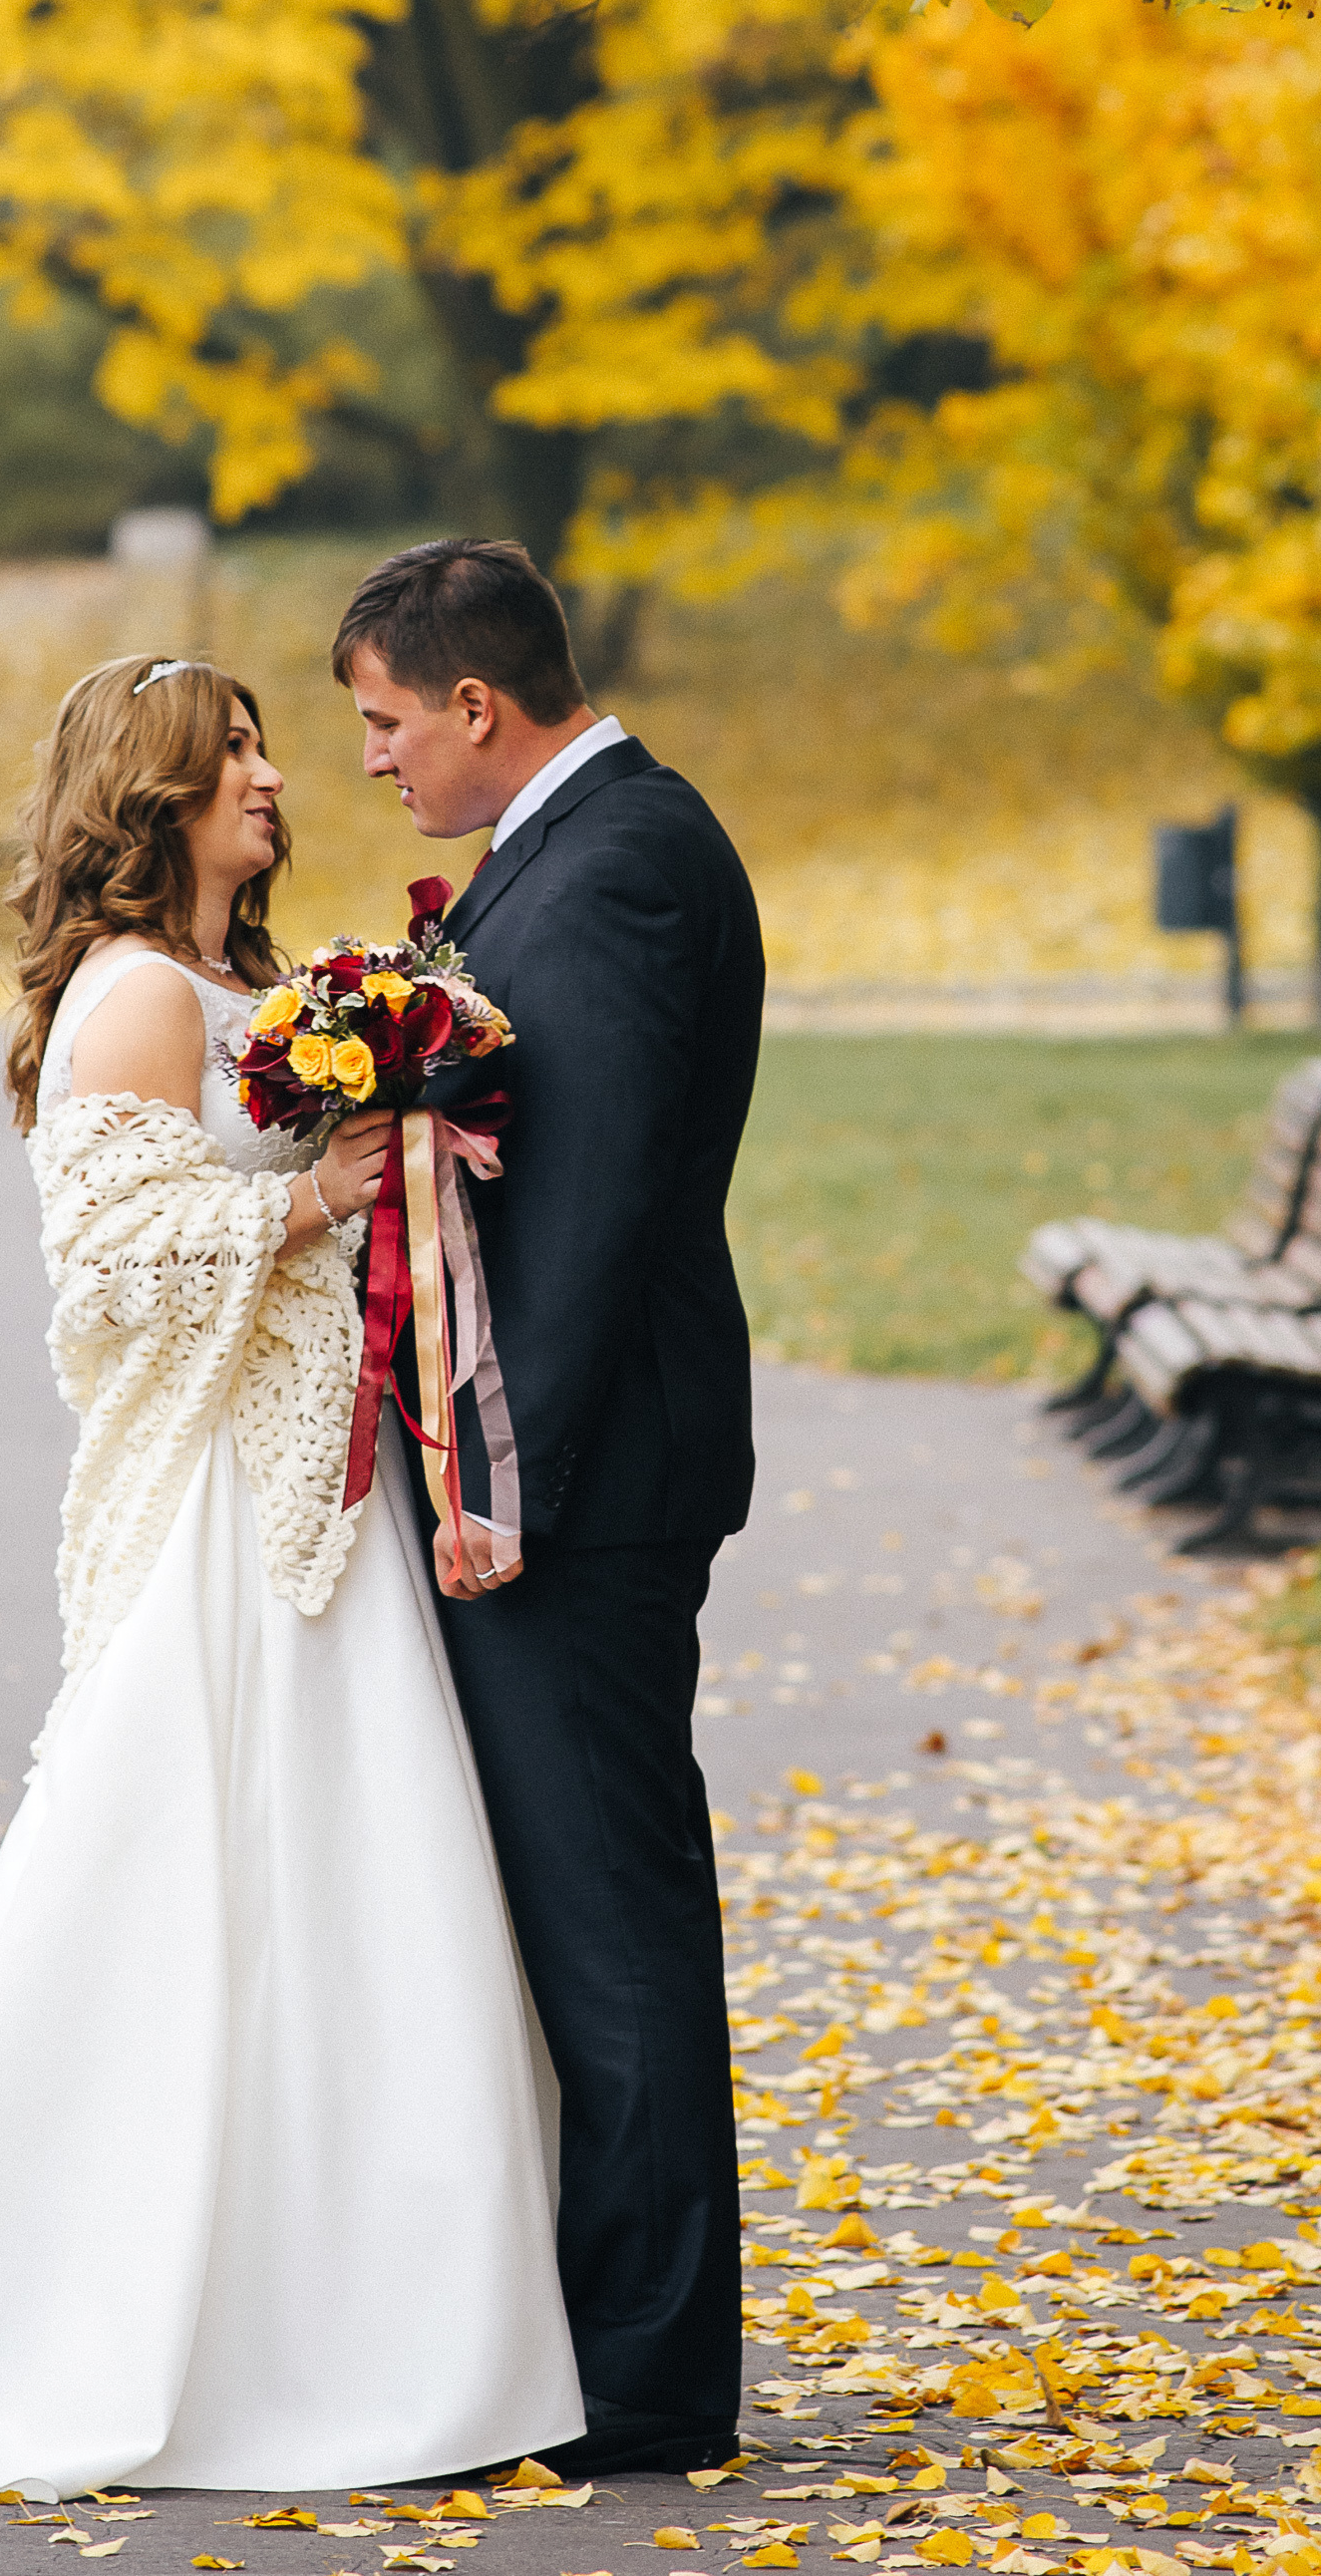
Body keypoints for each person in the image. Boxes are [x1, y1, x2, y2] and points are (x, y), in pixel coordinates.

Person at [0, 653, 582, 2503]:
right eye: (233, 754)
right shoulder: (131, 997)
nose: (272, 779)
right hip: (224, 1527)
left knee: (359, 1891)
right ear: (151, 797)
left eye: (265, 747)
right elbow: (103, 1271)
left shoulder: (264, 987)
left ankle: (368, 2307)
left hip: (337, 1503)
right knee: (201, 1877)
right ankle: (133, 2311)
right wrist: (311, 1200)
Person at [332, 540, 768, 2479]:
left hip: (581, 1491)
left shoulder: (613, 873)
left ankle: (652, 2375)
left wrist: (496, 1489)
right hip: (592, 1471)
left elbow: (576, 1225)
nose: (373, 762)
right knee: (591, 1911)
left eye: (383, 720)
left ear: (476, 706)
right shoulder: (589, 846)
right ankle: (616, 2336)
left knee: (610, 1920)